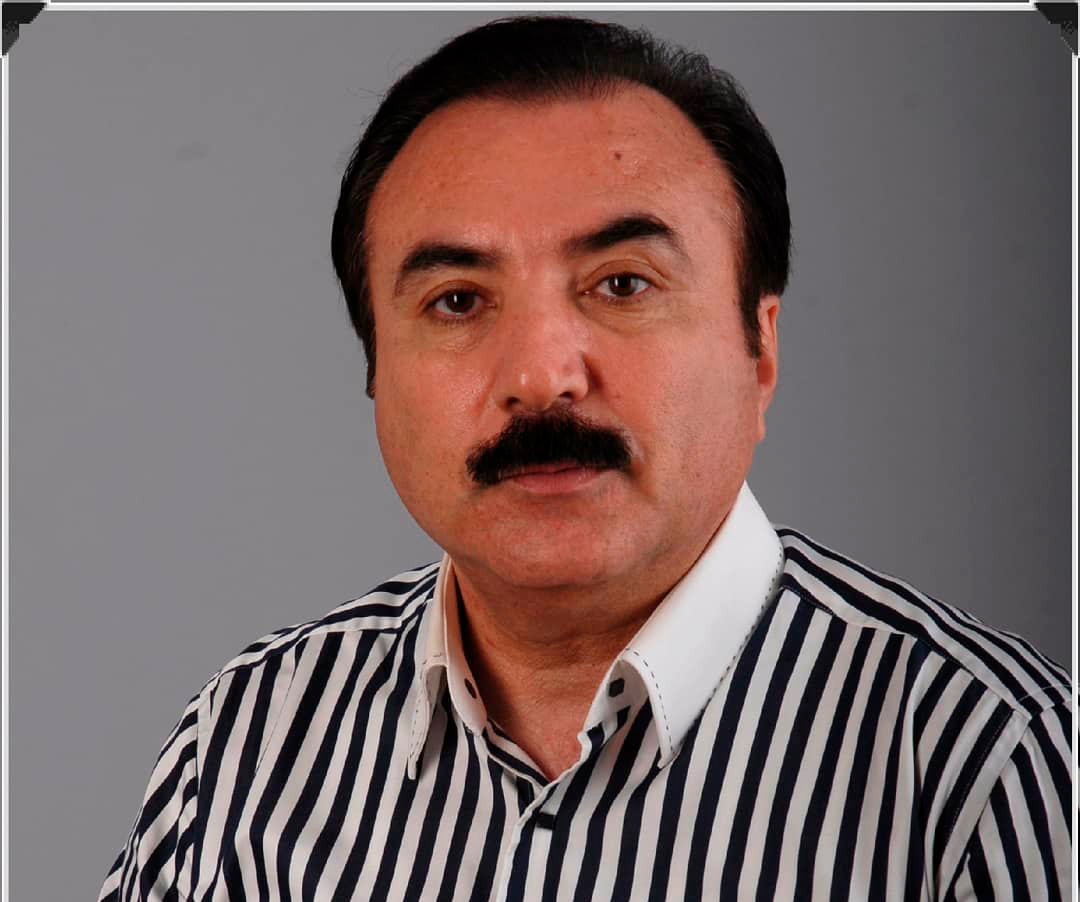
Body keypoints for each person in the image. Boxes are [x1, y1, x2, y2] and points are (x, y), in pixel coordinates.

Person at [98, 16, 1070, 902]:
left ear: (760, 350)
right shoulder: (246, 746)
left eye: (622, 283)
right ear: (374, 369)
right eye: (458, 301)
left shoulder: (988, 768)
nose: (540, 376)